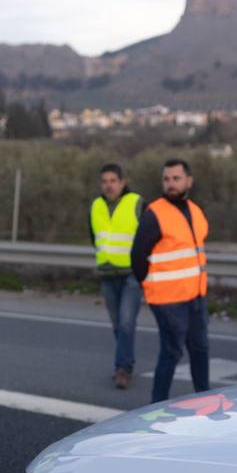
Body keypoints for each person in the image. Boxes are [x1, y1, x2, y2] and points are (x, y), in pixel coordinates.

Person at [131, 159, 209, 404]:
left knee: (200, 350)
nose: (171, 184)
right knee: (172, 353)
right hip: (167, 300)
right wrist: (151, 285)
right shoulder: (154, 214)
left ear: (189, 181)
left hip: (196, 296)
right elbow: (137, 256)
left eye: (176, 178)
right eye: (166, 179)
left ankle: (205, 401)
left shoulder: (195, 211)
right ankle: (157, 406)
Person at [90, 163, 145, 389]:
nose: (108, 185)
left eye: (113, 181)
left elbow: (147, 236)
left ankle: (122, 369)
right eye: (104, 181)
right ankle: (127, 362)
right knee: (117, 324)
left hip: (131, 274)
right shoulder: (96, 205)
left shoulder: (137, 202)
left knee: (125, 322)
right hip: (107, 274)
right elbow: (94, 236)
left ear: (122, 182)